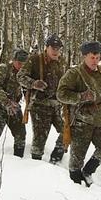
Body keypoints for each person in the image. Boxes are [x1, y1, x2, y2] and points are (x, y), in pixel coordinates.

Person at [56, 41, 101, 186]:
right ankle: (76, 186)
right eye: (92, 57)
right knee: (76, 160)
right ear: (84, 56)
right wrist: (81, 97)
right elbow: (61, 94)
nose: (95, 61)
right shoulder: (74, 73)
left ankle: (88, 171)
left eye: (98, 57)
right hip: (81, 122)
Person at [17, 34, 66, 163]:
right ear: (47, 48)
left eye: (58, 48)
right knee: (40, 139)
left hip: (57, 105)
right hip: (40, 105)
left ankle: (56, 158)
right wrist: (34, 83)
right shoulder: (34, 60)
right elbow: (20, 76)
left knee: (68, 131)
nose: (56, 51)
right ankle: (36, 165)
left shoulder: (62, 62)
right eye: (53, 48)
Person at [0, 48, 29, 156]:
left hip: (14, 108)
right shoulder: (3, 69)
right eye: (19, 63)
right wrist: (6, 101)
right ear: (13, 60)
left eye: (24, 64)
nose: (21, 66)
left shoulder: (25, 72)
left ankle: (19, 161)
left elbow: (26, 88)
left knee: (21, 135)